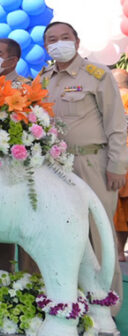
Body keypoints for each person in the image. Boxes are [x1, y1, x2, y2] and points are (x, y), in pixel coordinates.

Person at [39, 21, 128, 309]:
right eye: (52, 39)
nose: (58, 43)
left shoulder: (97, 75)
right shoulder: (42, 79)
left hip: (92, 163)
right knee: (62, 234)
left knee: (99, 235)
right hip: (54, 166)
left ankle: (108, 306)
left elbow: (117, 123)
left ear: (77, 42)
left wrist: (118, 165)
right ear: (45, 46)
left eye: (65, 37)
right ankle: (70, 300)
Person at [0, 37, 29, 271]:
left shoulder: (25, 87)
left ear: (12, 60)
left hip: (17, 168)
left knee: (24, 228)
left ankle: (30, 283)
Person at [111, 68, 128, 262]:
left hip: (121, 157)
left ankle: (118, 252)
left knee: (120, 207)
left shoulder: (118, 99)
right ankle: (119, 251)